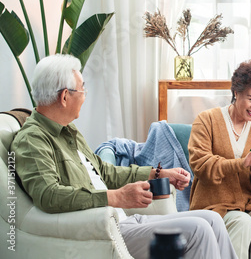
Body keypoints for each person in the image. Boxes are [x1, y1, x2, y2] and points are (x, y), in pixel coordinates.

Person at [12, 54, 237, 259]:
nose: (84, 96)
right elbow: (48, 195)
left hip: (124, 219)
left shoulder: (69, 131)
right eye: (82, 90)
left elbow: (105, 171)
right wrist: (116, 197)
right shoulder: (33, 140)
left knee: (213, 220)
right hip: (102, 231)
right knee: (198, 230)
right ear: (64, 97)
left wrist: (159, 173)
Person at [188, 58, 251, 259]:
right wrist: (241, 163)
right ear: (235, 92)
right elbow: (200, 166)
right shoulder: (206, 120)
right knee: (242, 221)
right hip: (213, 205)